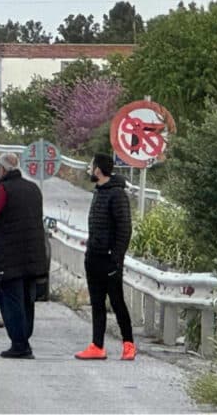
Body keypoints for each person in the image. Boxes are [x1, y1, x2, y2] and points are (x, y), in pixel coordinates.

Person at [0, 152, 48, 359]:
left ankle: (19, 344)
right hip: (34, 255)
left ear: (2, 169)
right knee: (28, 300)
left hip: (10, 256)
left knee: (11, 300)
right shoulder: (33, 189)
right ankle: (24, 339)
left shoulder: (3, 190)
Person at [75, 153, 136, 361]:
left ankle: (128, 344)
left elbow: (125, 229)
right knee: (97, 303)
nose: (90, 169)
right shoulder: (98, 192)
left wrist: (116, 257)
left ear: (98, 169)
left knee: (117, 301)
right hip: (94, 255)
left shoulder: (117, 194)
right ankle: (97, 345)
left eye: (92, 165)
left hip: (109, 259)